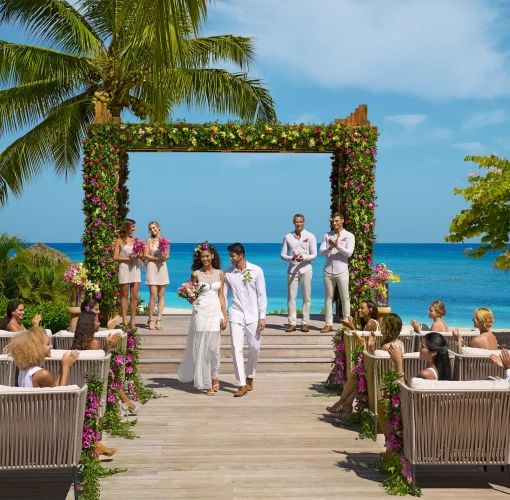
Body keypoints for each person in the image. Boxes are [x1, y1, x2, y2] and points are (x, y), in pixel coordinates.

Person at [326, 312, 403, 416]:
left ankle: (342, 403)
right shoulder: (399, 343)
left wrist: (363, 345)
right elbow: (376, 362)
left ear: (389, 327)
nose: (380, 326)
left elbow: (373, 364)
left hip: (381, 381)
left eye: (383, 324)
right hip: (384, 376)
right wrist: (371, 347)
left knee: (357, 373)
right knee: (358, 373)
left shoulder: (387, 346)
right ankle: (346, 404)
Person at [178, 243, 228, 396]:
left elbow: (221, 296)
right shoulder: (196, 274)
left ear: (212, 256)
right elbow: (191, 296)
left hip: (215, 312)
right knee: (202, 348)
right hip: (201, 311)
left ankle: (214, 375)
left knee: (213, 349)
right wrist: (191, 298)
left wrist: (225, 316)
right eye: (203, 256)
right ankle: (207, 383)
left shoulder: (220, 274)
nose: (205, 258)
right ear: (200, 258)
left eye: (207, 256)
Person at [224, 243, 267, 398]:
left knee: (255, 348)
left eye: (233, 256)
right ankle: (241, 383)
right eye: (230, 255)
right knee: (236, 348)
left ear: (241, 255)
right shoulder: (228, 274)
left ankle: (250, 377)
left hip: (253, 315)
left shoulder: (256, 271)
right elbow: (223, 295)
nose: (230, 258)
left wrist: (262, 316)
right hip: (235, 314)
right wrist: (224, 314)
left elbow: (261, 294)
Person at [73, 311, 137, 415]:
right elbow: (99, 368)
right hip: (93, 384)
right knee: (111, 373)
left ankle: (125, 402)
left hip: (79, 381)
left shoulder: (77, 342)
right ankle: (124, 402)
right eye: (97, 321)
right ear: (90, 325)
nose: (99, 323)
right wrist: (107, 347)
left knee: (111, 374)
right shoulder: (93, 343)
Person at [325, 299, 379, 385]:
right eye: (359, 308)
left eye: (362, 308)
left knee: (344, 354)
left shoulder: (370, 324)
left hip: (369, 354)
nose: (359, 310)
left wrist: (351, 326)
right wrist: (352, 325)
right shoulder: (367, 323)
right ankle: (335, 378)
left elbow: (362, 339)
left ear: (370, 310)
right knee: (344, 353)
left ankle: (335, 379)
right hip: (366, 351)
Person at [280, 213, 317, 332]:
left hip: (306, 269)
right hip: (292, 270)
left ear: (304, 222)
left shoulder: (310, 236)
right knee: (291, 297)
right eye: (297, 222)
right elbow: (282, 255)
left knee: (307, 297)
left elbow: (314, 254)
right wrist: (292, 258)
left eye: (301, 221)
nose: (299, 224)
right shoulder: (287, 237)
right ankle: (292, 323)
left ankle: (305, 322)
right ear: (293, 222)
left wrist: (304, 258)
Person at [319, 212, 355, 333]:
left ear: (342, 221)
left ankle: (346, 323)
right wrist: (330, 247)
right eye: (333, 221)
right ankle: (328, 324)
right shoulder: (327, 236)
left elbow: (349, 253)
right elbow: (321, 252)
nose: (334, 223)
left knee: (345, 297)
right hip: (328, 270)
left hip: (342, 271)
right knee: (328, 298)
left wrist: (337, 245)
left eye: (336, 221)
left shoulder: (349, 236)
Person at [10, 326, 79, 388]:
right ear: (37, 348)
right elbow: (61, 396)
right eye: (48, 344)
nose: (51, 346)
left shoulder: (23, 370)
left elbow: (55, 389)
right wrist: (66, 368)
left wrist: (62, 366)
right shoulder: (42, 374)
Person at [114, 218, 143, 327]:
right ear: (127, 227)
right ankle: (124, 319)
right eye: (132, 227)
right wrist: (128, 258)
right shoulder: (119, 241)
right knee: (124, 295)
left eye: (134, 227)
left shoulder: (136, 240)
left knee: (134, 295)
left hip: (135, 267)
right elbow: (115, 257)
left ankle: (133, 319)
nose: (134, 229)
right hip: (124, 268)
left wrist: (139, 255)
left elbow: (142, 254)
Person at [144, 221, 170, 330]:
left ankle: (159, 319)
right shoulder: (149, 240)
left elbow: (168, 255)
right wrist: (155, 258)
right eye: (150, 228)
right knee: (153, 295)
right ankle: (150, 319)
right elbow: (145, 254)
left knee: (161, 295)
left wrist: (163, 257)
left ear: (158, 228)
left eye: (154, 228)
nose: (152, 230)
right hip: (152, 267)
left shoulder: (165, 241)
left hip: (162, 267)